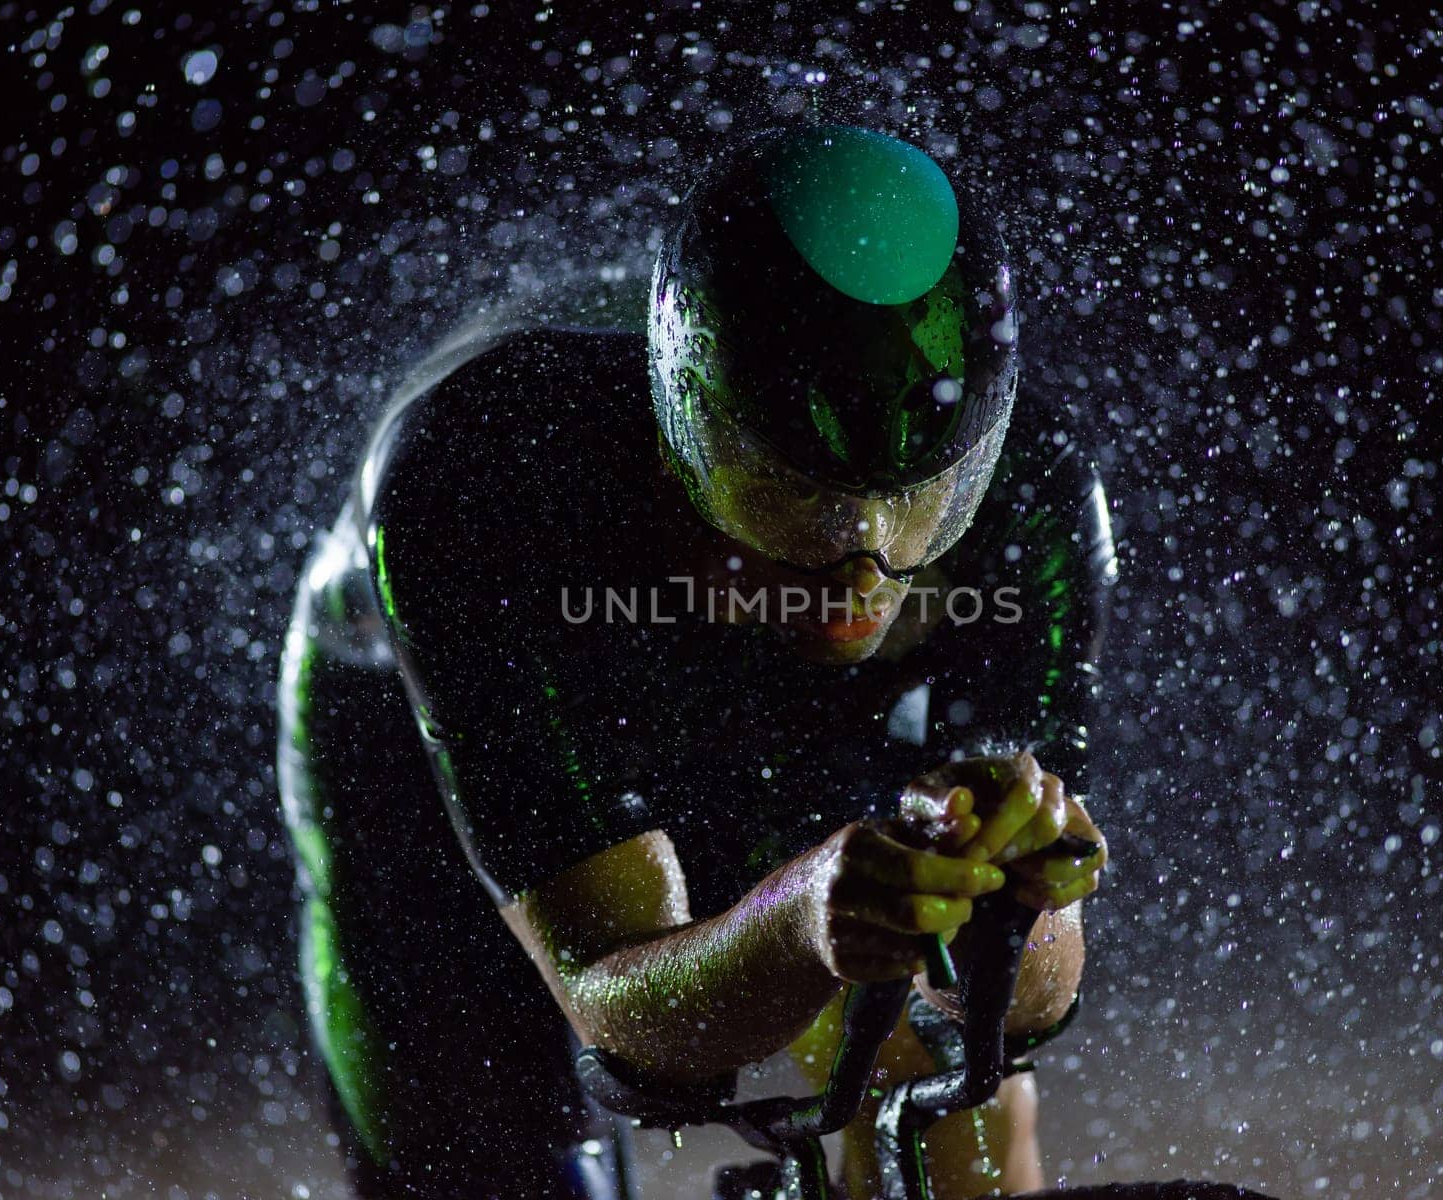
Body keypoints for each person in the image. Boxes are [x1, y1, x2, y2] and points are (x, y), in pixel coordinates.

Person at [277, 123, 1116, 1200]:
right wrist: (808, 916)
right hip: (427, 742)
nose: (859, 572)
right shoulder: (485, 475)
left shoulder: (1033, 497)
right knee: (487, 1157)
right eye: (790, 498)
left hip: (724, 680)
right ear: (685, 429)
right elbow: (627, 1021)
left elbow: (1021, 1007)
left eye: (918, 505)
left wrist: (1020, 904)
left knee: (944, 1094)